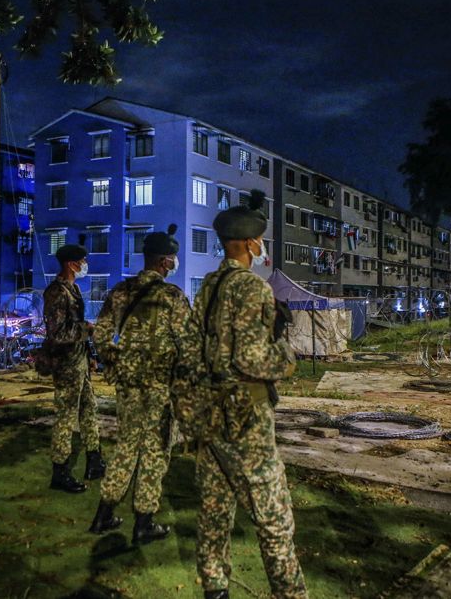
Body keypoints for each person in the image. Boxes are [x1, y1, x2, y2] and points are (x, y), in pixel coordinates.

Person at [176, 190, 307, 599]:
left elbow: (196, 351)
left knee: (215, 508)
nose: (261, 247)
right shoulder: (251, 288)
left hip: (211, 415)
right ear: (250, 243)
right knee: (274, 516)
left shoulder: (209, 286)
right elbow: (253, 360)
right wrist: (286, 353)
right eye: (260, 240)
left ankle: (215, 587)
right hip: (245, 418)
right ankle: (290, 593)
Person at [88, 225, 192, 544]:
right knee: (155, 451)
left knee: (126, 446)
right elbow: (188, 345)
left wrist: (115, 364)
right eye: (172, 259)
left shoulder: (121, 291)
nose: (174, 264)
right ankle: (144, 521)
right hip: (160, 387)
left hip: (129, 385)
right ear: (164, 262)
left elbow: (101, 333)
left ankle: (103, 515)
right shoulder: (172, 296)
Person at [42, 241, 105, 493]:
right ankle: (61, 471)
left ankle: (95, 460)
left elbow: (75, 325)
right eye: (82, 261)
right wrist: (86, 329)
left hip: (79, 361)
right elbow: (57, 333)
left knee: (89, 409)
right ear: (72, 264)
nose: (85, 265)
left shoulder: (73, 289)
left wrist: (90, 354)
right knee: (66, 417)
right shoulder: (57, 292)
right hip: (67, 364)